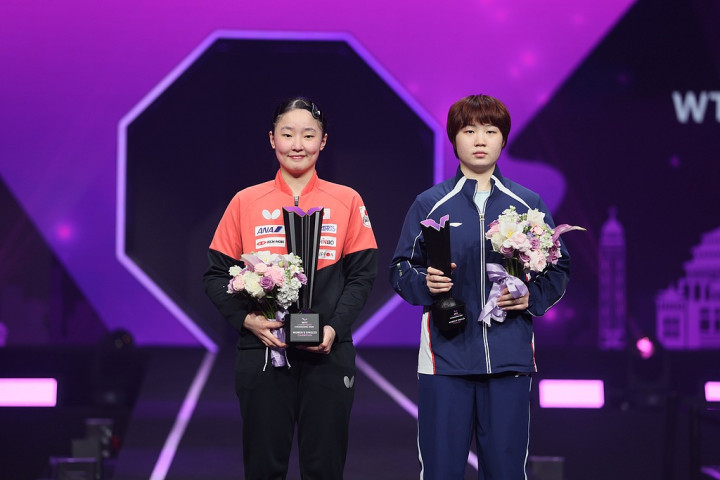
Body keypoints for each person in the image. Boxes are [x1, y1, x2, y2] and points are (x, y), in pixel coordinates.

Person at [389, 94, 571, 479]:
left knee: (506, 471)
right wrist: (426, 282)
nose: (480, 140)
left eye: (490, 131)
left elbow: (558, 267)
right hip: (445, 360)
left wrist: (530, 297)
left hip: (509, 360)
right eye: (469, 131)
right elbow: (400, 269)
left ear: (503, 139)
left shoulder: (527, 203)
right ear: (454, 138)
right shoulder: (430, 203)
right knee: (441, 471)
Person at [203, 97, 378, 480]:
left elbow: (362, 276)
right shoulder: (245, 201)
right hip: (264, 356)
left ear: (323, 141)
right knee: (263, 470)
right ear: (272, 139)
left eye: (308, 135)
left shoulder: (347, 200)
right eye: (287, 134)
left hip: (328, 356)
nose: (297, 144)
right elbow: (215, 275)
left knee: (325, 470)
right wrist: (247, 321)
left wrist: (334, 329)